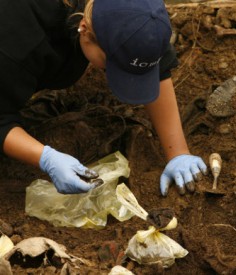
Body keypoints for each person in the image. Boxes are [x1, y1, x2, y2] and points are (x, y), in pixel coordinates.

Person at [0, 0, 207, 196]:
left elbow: (153, 60)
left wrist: (178, 152)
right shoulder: (21, 42)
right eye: (110, 66)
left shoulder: (134, 13)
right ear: (85, 29)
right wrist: (45, 158)